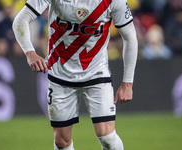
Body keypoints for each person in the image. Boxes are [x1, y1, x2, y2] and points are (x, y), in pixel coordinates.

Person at [13, 0, 138, 150]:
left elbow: (130, 37)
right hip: (60, 75)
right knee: (61, 142)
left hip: (96, 74)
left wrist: (127, 83)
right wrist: (30, 52)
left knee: (107, 138)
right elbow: (21, 19)